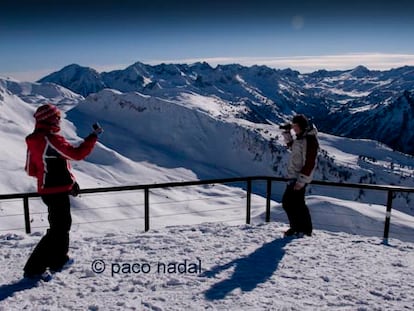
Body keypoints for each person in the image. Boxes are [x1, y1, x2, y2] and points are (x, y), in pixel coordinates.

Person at [23, 103, 102, 278]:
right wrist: (93, 137)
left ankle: (59, 259)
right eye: (57, 117)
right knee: (58, 229)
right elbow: (76, 155)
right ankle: (34, 268)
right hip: (57, 190)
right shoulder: (51, 138)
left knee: (61, 226)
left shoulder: (34, 139)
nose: (59, 120)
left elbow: (31, 169)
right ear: (50, 119)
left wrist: (57, 178)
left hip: (47, 189)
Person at [281, 114, 319, 237]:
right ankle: (299, 228)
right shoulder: (301, 138)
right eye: (293, 126)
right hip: (294, 176)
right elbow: (293, 148)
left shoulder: (309, 139)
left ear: (302, 126)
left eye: (295, 126)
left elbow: (310, 161)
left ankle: (303, 229)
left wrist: (301, 180)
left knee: (290, 203)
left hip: (298, 177)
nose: (294, 128)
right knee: (295, 203)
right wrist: (287, 133)